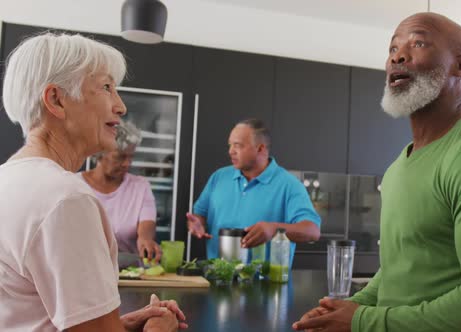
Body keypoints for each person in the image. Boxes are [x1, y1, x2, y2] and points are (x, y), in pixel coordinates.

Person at [293, 12, 461, 332]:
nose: (398, 56)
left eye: (418, 43)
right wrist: (353, 307)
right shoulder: (398, 168)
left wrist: (363, 321)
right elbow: (400, 270)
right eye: (393, 49)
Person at [0, 32, 187, 331]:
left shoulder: (8, 178)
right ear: (56, 100)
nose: (121, 106)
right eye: (106, 87)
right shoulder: (65, 201)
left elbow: (30, 316)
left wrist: (117, 324)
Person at [187, 119, 321, 266]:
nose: (231, 151)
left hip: (266, 284)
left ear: (260, 149)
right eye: (230, 145)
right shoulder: (219, 177)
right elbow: (199, 215)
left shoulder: (289, 185)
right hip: (217, 278)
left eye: (238, 145)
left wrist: (274, 230)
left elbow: (312, 231)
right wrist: (197, 224)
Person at [80, 120, 161, 262]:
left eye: (131, 157)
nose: (127, 164)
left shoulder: (140, 186)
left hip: (128, 271)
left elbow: (147, 225)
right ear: (99, 153)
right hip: (85, 270)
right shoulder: (75, 186)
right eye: (121, 157)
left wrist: (145, 240)